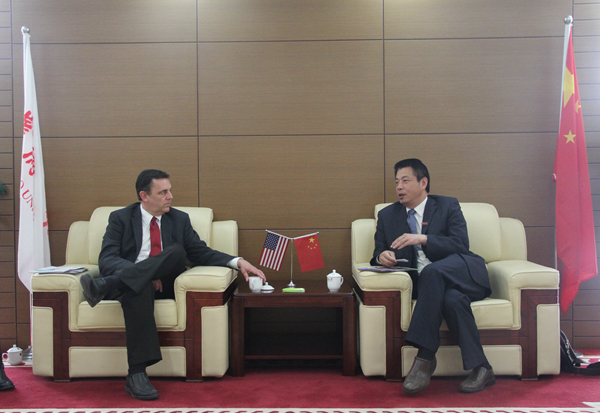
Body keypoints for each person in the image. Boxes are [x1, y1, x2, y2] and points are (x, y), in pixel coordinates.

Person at [80, 169, 266, 400]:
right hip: (137, 287)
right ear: (144, 196)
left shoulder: (179, 219)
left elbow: (200, 252)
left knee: (177, 252)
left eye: (170, 191)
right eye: (163, 192)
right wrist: (145, 275)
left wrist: (237, 262)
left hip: (164, 285)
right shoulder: (121, 218)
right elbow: (107, 259)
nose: (170, 196)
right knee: (140, 287)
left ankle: (106, 286)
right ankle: (137, 374)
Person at [371, 158, 494, 394]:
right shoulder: (387, 216)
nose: (399, 187)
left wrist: (424, 238)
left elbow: (460, 244)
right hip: (428, 287)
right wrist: (382, 257)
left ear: (423, 182)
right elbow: (376, 253)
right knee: (452, 300)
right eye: (396, 182)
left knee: (432, 271)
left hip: (462, 274)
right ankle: (482, 368)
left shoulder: (447, 205)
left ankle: (425, 357)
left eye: (405, 181)